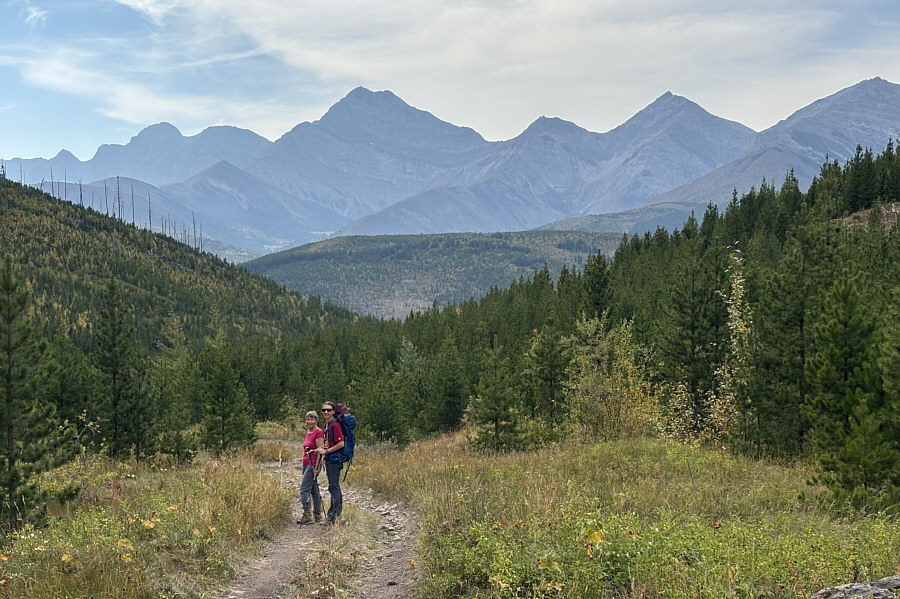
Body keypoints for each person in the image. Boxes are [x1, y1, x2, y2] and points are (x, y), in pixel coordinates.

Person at [316, 401, 345, 524]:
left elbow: (341, 443)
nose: (326, 412)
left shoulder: (335, 425)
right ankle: (335, 515)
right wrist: (319, 449)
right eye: (324, 410)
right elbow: (330, 443)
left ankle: (333, 516)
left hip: (334, 460)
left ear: (333, 411)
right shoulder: (327, 425)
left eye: (328, 410)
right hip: (331, 459)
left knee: (333, 487)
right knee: (334, 487)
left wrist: (326, 452)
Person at [298, 410, 324, 524]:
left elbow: (320, 450)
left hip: (313, 464)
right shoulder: (308, 431)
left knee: (304, 489)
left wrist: (317, 467)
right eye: (308, 419)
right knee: (314, 490)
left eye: (312, 419)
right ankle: (318, 515)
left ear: (316, 420)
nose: (309, 421)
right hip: (306, 462)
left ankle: (307, 514)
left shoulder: (318, 432)